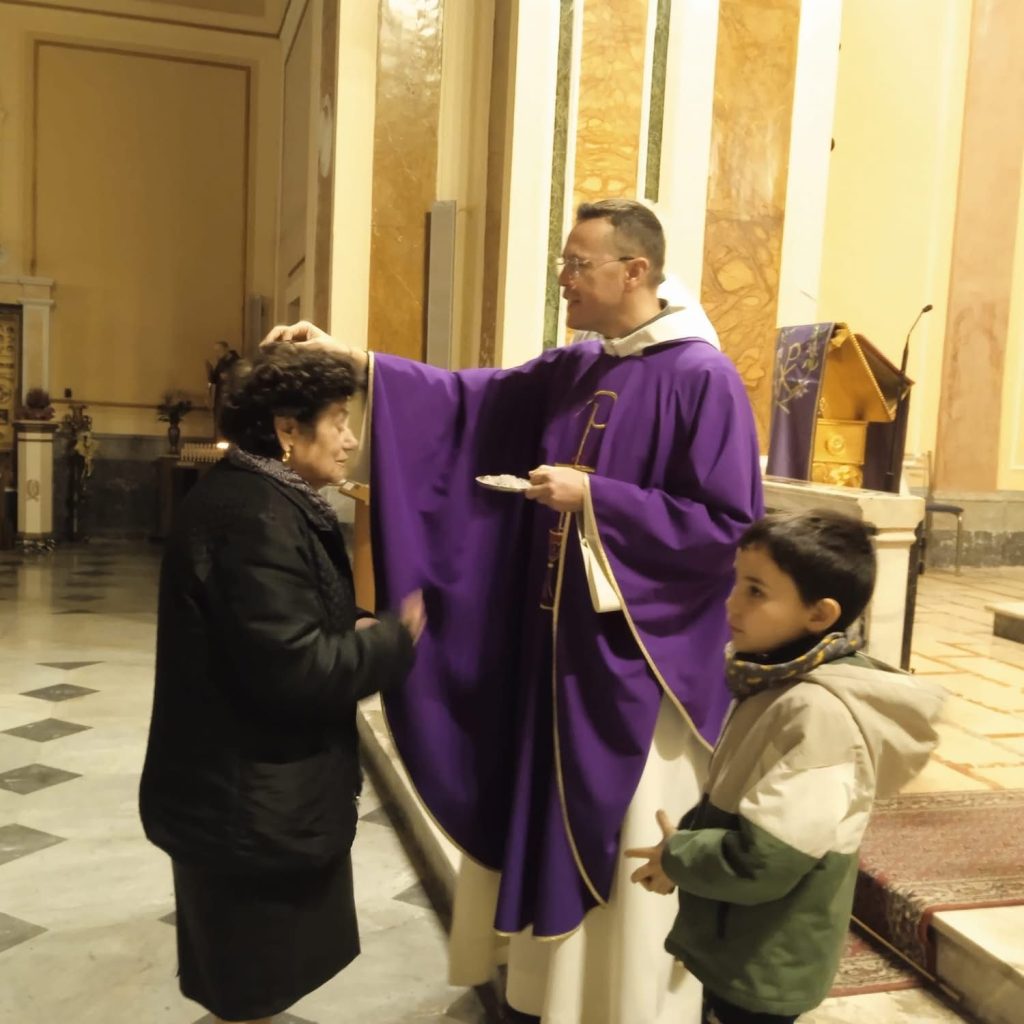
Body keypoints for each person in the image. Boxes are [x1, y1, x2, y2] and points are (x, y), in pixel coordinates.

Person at [267, 198, 763, 1024]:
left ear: (633, 271)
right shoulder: (584, 363)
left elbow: (725, 529)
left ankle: (625, 1009)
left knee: (622, 835)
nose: (563, 279)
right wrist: (351, 361)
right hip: (555, 650)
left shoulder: (701, 378)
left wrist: (596, 498)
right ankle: (547, 994)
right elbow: (471, 402)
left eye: (578, 264)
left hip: (630, 667)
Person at [139, 344, 425, 1024]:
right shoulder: (255, 516)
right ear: (289, 430)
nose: (352, 437)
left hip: (243, 797)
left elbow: (285, 619)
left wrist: (351, 625)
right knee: (248, 990)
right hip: (244, 803)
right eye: (339, 419)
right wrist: (393, 638)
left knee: (251, 983)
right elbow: (293, 670)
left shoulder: (264, 499)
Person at [626, 510, 945, 1024]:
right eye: (738, 583)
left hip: (765, 955)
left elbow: (765, 860)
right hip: (744, 939)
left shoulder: (818, 713)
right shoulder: (779, 679)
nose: (732, 603)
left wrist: (680, 856)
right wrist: (680, 853)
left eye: (756, 591)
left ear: (819, 615)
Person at [207, 339, 241, 437]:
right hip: (220, 398)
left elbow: (242, 376)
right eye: (216, 351)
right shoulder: (221, 362)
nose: (217, 353)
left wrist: (229, 376)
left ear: (227, 349)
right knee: (219, 421)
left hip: (232, 397)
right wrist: (210, 371)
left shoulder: (237, 361)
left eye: (219, 350)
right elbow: (214, 380)